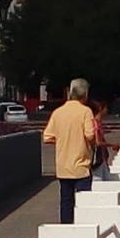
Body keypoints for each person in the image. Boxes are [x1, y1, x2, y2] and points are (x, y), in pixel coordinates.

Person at [42, 78, 95, 223]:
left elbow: (47, 137)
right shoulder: (86, 112)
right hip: (81, 166)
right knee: (83, 203)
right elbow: (90, 135)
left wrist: (62, 140)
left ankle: (66, 229)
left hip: (63, 167)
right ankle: (84, 230)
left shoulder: (58, 112)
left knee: (66, 203)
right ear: (85, 94)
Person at [90, 100, 120, 181]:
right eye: (106, 108)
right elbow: (98, 142)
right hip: (97, 160)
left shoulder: (98, 123)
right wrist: (112, 145)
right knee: (99, 181)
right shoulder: (95, 123)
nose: (107, 110)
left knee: (106, 180)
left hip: (102, 159)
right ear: (101, 109)